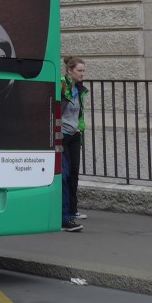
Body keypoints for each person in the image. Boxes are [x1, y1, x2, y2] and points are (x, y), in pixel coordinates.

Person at [60, 56, 87, 232]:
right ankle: (65, 216)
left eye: (84, 71)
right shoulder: (63, 85)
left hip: (74, 133)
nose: (83, 74)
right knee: (65, 174)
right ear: (70, 71)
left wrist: (80, 128)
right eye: (80, 71)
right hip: (62, 135)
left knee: (74, 172)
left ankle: (72, 210)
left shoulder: (79, 89)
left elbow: (79, 112)